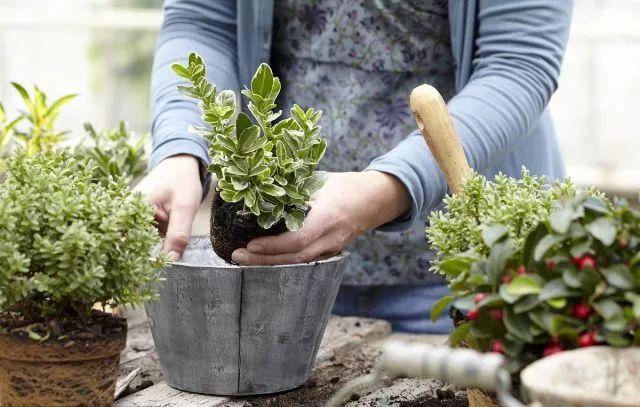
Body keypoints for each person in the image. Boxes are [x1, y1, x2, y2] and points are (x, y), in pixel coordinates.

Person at [135, 0, 573, 333]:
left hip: (461, 270)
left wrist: (389, 187)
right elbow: (203, 20)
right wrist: (181, 147)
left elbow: (517, 64)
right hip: (281, 267)